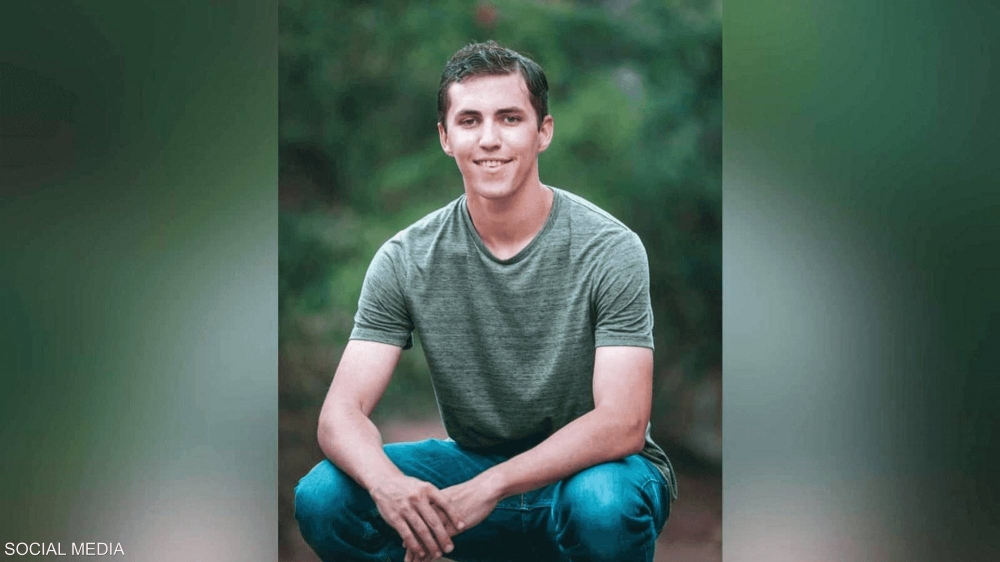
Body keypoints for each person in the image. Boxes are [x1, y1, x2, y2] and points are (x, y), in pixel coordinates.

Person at [294, 40, 677, 562]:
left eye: (510, 118)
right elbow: (340, 414)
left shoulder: (609, 249)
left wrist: (491, 487)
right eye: (470, 120)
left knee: (602, 503)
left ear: (543, 132)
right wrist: (390, 486)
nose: (490, 139)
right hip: (472, 467)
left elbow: (623, 422)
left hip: (589, 474)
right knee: (324, 496)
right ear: (445, 137)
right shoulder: (405, 258)